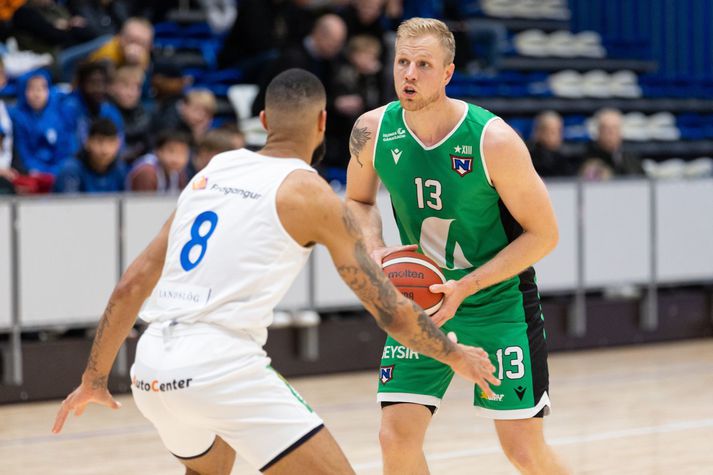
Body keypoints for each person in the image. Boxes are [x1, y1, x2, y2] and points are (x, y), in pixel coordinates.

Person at [52, 68, 499, 475]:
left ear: (263, 120)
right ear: (323, 123)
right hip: (219, 365)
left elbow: (133, 283)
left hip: (152, 368)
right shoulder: (310, 193)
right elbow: (388, 309)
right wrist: (455, 355)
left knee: (209, 467)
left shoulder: (213, 171)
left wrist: (94, 377)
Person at [344, 18, 568, 474]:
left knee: (523, 451)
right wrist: (374, 245)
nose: (409, 74)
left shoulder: (494, 140)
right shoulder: (371, 130)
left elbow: (545, 234)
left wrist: (466, 286)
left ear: (447, 73)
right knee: (394, 437)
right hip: (421, 303)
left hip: (497, 303)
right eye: (402, 62)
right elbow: (357, 199)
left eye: (423, 64)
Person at [11, 69, 73, 177]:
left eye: (42, 88)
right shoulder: (18, 117)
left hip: (58, 171)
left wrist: (57, 170)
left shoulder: (58, 114)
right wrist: (37, 170)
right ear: (23, 91)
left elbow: (65, 146)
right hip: (31, 172)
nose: (37, 94)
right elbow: (23, 151)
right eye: (32, 89)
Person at [62, 61, 124, 155]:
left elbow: (120, 145)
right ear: (81, 84)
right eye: (93, 83)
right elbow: (67, 147)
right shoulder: (69, 108)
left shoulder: (110, 111)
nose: (99, 88)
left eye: (102, 83)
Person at [54, 118, 126, 193]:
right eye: (99, 141)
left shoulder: (120, 171)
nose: (105, 150)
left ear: (118, 144)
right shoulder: (70, 171)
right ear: (87, 142)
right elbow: (68, 204)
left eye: (111, 143)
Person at [582, 108, 643, 180]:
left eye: (615, 128)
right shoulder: (588, 160)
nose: (611, 133)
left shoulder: (631, 159)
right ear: (598, 132)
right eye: (606, 129)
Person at [127, 129, 191, 192]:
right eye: (171, 151)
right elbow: (144, 202)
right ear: (158, 151)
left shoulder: (180, 173)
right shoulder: (147, 172)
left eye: (182, 152)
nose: (176, 158)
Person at [89, 17, 154, 73]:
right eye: (131, 41)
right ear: (119, 38)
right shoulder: (107, 53)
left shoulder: (144, 57)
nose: (135, 48)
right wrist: (130, 64)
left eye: (141, 44)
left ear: (150, 47)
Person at [528, 110, 578, 177]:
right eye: (553, 132)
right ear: (540, 132)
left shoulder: (561, 158)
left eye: (560, 131)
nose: (559, 136)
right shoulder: (531, 158)